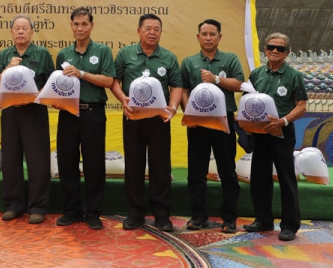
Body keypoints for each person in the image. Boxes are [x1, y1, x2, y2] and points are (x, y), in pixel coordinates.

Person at [110, 13, 182, 232]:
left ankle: (161, 215)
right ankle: (135, 213)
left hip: (159, 119)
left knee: (161, 166)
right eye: (148, 28)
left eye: (156, 29)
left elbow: (176, 86)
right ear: (139, 31)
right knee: (134, 165)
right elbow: (114, 81)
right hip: (133, 117)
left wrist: (173, 107)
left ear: (161, 32)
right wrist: (123, 100)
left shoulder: (168, 57)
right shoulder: (126, 54)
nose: (152, 33)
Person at [180, 19, 244, 233]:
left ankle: (230, 218)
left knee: (227, 171)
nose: (208, 38)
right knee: (196, 172)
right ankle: (198, 217)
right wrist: (189, 114)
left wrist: (216, 79)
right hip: (197, 123)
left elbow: (239, 84)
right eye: (204, 34)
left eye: (212, 34)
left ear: (219, 37)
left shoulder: (230, 59)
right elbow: (183, 90)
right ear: (198, 37)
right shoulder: (189, 62)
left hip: (223, 121)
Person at [243, 32, 308, 241]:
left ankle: (289, 226)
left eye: (280, 48)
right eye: (271, 47)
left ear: (287, 52)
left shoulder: (293, 76)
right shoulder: (256, 74)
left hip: (282, 132)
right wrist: (244, 120)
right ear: (265, 50)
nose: (274, 51)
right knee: (259, 178)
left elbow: (302, 105)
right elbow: (247, 99)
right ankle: (263, 220)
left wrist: (284, 120)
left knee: (286, 179)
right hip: (260, 132)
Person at [55, 6, 115, 230]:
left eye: (84, 24)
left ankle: (92, 212)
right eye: (76, 24)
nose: (80, 28)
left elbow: (108, 81)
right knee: (67, 162)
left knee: (94, 164)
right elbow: (58, 84)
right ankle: (72, 210)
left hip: (93, 112)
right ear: (71, 26)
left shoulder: (103, 51)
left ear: (92, 26)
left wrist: (81, 74)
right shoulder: (63, 54)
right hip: (68, 113)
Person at [0, 15, 55, 225]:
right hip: (10, 112)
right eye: (17, 28)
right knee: (10, 160)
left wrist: (32, 96)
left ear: (32, 32)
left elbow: (51, 84)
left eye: (24, 28)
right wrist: (7, 69)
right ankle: (14, 204)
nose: (20, 31)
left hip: (34, 112)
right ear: (11, 32)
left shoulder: (42, 53)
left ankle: (38, 207)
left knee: (38, 161)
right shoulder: (4, 55)